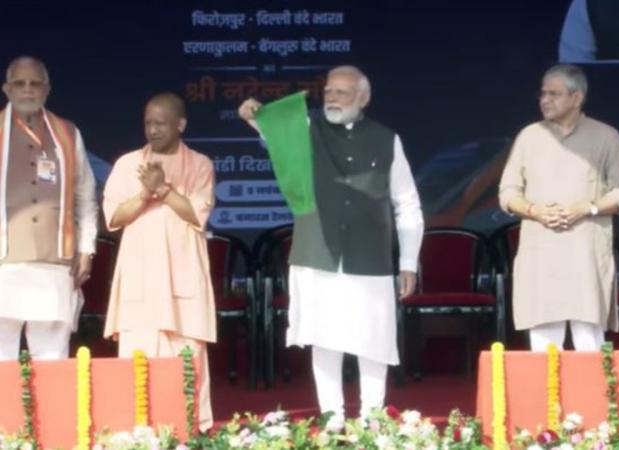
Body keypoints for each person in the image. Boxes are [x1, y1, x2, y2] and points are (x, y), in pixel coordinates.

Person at [238, 65, 424, 419]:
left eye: (341, 92)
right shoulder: (307, 127)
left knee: (374, 339)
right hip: (317, 254)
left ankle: (372, 419)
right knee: (324, 338)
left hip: (370, 257)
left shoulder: (387, 138)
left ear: (363, 98)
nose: (331, 98)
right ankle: (332, 417)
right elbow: (274, 130)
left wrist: (408, 263)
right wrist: (252, 115)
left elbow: (407, 203)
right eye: (328, 91)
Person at [498, 64, 619, 351]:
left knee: (589, 345)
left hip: (586, 254)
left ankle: (592, 386)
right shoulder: (529, 136)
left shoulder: (606, 136)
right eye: (542, 94)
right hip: (541, 254)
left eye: (554, 94)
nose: (544, 100)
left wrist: (588, 208)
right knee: (544, 348)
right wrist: (535, 211)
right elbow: (507, 192)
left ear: (576, 97)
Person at [102, 92, 216, 430]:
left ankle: (193, 429)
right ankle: (139, 432)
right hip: (139, 278)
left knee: (187, 358)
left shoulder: (200, 164)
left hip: (182, 276)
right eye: (148, 123)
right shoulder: (127, 164)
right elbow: (114, 217)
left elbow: (196, 214)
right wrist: (144, 193)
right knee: (138, 359)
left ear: (180, 125)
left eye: (161, 124)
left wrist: (163, 189)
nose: (153, 130)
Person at [0, 56, 97, 360]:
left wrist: (86, 249)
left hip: (54, 263)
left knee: (52, 357)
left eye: (35, 83)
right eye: (20, 84)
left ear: (47, 89)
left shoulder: (67, 133)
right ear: (7, 89)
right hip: (4, 264)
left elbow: (85, 195)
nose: (27, 89)